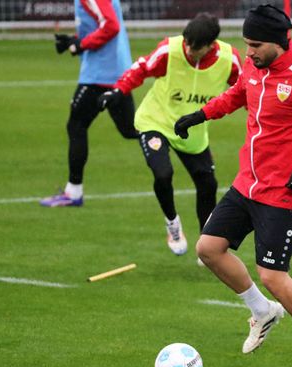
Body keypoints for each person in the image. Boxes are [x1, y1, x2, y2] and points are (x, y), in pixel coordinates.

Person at [172, 4, 292, 367]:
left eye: (255, 45)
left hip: (284, 194)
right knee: (208, 248)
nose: (249, 52)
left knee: (272, 274)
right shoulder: (255, 70)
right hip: (247, 184)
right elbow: (237, 95)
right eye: (246, 44)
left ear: (279, 41)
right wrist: (199, 115)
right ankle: (262, 311)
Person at [97, 13, 242, 258]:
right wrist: (118, 91)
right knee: (163, 173)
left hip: (192, 130)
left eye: (196, 48)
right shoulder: (170, 50)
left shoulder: (230, 60)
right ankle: (172, 225)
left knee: (208, 185)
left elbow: (247, 89)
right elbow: (141, 68)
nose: (189, 50)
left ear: (211, 45)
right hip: (156, 122)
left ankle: (207, 248)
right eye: (187, 44)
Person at [40, 0, 137, 207]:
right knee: (131, 130)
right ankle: (179, 137)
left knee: (76, 125)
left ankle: (74, 192)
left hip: (100, 75)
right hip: (116, 72)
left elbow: (111, 26)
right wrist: (73, 42)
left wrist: (82, 44)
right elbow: (101, 25)